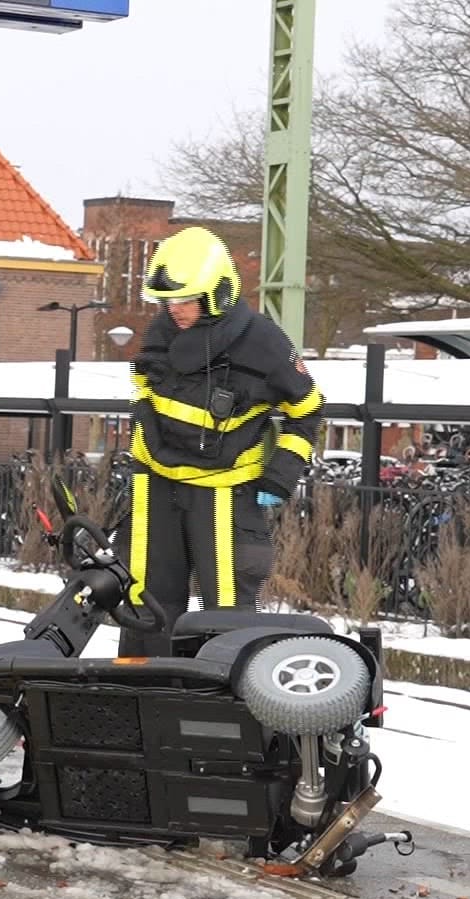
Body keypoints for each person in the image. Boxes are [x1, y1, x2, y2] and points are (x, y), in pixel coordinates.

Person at [121, 225, 324, 657]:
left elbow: (307, 410)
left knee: (228, 609)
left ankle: (222, 702)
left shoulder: (265, 343)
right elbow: (145, 392)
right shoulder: (161, 333)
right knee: (147, 603)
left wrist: (279, 477)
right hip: (156, 483)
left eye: (185, 300)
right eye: (168, 301)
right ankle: (143, 696)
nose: (174, 310)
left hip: (224, 490)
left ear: (218, 293)